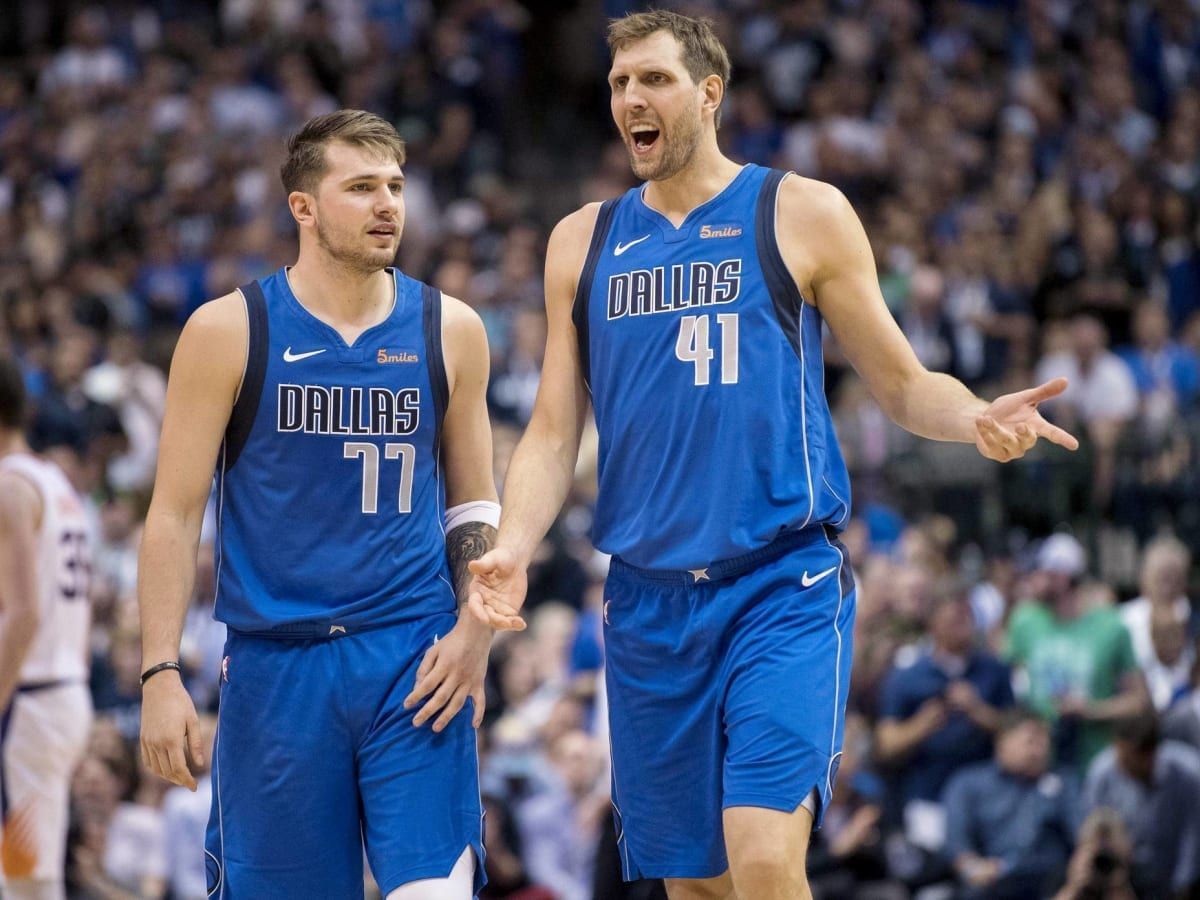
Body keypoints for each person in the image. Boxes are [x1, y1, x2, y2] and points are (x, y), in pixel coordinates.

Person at [468, 11, 1079, 899]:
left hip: (777, 585)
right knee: (697, 884)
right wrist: (516, 547)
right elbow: (555, 430)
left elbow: (904, 385)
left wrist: (978, 415)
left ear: (710, 93)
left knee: (762, 856)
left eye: (653, 80)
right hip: (647, 601)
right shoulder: (582, 240)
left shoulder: (801, 211)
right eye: (618, 85)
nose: (630, 99)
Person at [137, 109, 498, 899]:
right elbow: (171, 515)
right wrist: (160, 670)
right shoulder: (228, 329)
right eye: (362, 187)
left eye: (397, 187)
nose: (387, 206)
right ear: (303, 207)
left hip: (414, 656)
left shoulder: (452, 329)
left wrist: (475, 632)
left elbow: (473, 509)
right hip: (277, 665)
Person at [0, 356, 94, 900]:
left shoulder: (10, 487)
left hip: (28, 703)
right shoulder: (51, 479)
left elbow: (24, 612)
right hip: (57, 691)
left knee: (27, 884)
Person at [941, 712, 1081, 899]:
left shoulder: (1064, 781)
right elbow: (956, 842)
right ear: (1002, 743)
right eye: (1031, 741)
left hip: (1051, 881)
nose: (1040, 751)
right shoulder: (969, 783)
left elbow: (1083, 834)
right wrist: (973, 868)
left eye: (1045, 741)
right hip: (994, 879)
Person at [1083, 712, 1200, 898]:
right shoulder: (1103, 772)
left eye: (1126, 756)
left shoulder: (1188, 773)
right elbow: (1093, 830)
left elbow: (1192, 837)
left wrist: (1183, 888)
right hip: (1124, 881)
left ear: (1149, 754)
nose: (1119, 761)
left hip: (1175, 879)